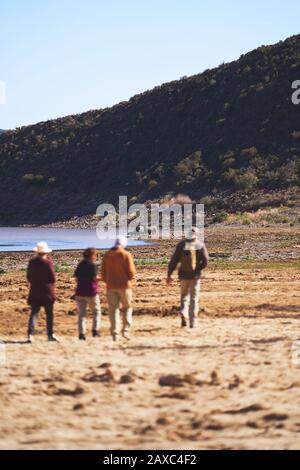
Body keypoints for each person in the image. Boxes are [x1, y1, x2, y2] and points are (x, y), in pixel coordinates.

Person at [167, 228, 209, 329]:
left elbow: (174, 260)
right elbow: (206, 260)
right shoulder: (200, 245)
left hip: (183, 276)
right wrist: (198, 269)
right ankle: (192, 322)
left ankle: (183, 313)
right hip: (195, 277)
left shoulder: (181, 245)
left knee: (184, 296)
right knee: (194, 299)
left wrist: (169, 275)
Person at [101, 236, 136, 342]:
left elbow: (103, 273)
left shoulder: (107, 255)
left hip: (111, 286)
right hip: (124, 286)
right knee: (127, 308)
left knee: (113, 310)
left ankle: (115, 333)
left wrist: (109, 281)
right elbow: (131, 272)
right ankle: (125, 330)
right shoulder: (126, 254)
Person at [27, 242, 57, 343]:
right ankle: (50, 335)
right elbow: (53, 278)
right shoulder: (48, 263)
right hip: (47, 291)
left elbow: (29, 277)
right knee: (49, 314)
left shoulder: (32, 262)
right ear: (46, 252)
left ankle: (30, 335)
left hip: (35, 291)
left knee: (34, 313)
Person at [74, 248, 102, 341]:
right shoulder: (92, 265)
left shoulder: (81, 264)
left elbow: (76, 278)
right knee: (96, 312)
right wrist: (102, 278)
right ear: (92, 256)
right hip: (91, 292)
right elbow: (94, 278)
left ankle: (81, 334)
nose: (95, 257)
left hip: (80, 292)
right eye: (95, 255)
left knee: (82, 314)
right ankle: (95, 331)